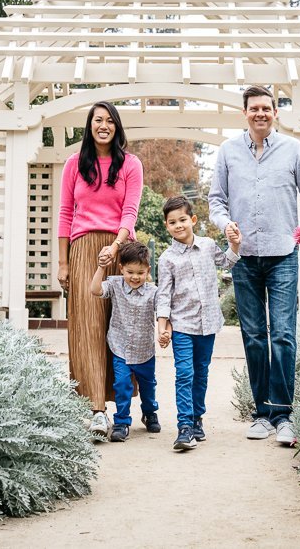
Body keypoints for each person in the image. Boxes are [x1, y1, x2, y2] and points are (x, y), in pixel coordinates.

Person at [208, 85, 300, 446]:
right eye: (253, 108)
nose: (260, 113)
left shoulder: (292, 149)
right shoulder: (228, 152)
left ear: (275, 112)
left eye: (266, 108)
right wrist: (223, 223)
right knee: (255, 337)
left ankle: (284, 414)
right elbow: (216, 201)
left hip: (283, 256)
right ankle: (262, 413)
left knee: (283, 335)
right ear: (244, 113)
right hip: (243, 258)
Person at [57, 101, 144, 440]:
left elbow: (130, 211)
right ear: (89, 126)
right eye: (97, 120)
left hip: (121, 250)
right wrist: (63, 262)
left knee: (122, 327)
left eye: (109, 121)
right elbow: (65, 214)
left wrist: (116, 245)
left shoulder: (130, 165)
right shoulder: (74, 165)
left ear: (116, 126)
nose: (103, 126)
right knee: (88, 327)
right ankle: (96, 410)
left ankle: (124, 405)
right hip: (82, 251)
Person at [156, 195, 241, 451]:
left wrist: (234, 245)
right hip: (182, 326)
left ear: (193, 220)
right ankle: (184, 427)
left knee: (201, 373)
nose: (178, 225)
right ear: (166, 226)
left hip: (209, 324)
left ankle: (196, 419)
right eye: (172, 222)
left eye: (183, 219)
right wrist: (163, 326)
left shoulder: (208, 245)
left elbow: (227, 261)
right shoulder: (167, 258)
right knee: (184, 374)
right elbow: (163, 295)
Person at [89, 241, 161, 442]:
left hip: (145, 350)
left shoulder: (153, 292)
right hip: (120, 347)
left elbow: (163, 313)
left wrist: (165, 331)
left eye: (140, 273)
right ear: (121, 269)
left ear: (148, 270)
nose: (135, 277)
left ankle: (149, 413)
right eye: (130, 272)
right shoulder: (115, 284)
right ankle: (121, 422)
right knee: (121, 385)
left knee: (148, 386)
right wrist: (101, 267)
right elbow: (95, 290)